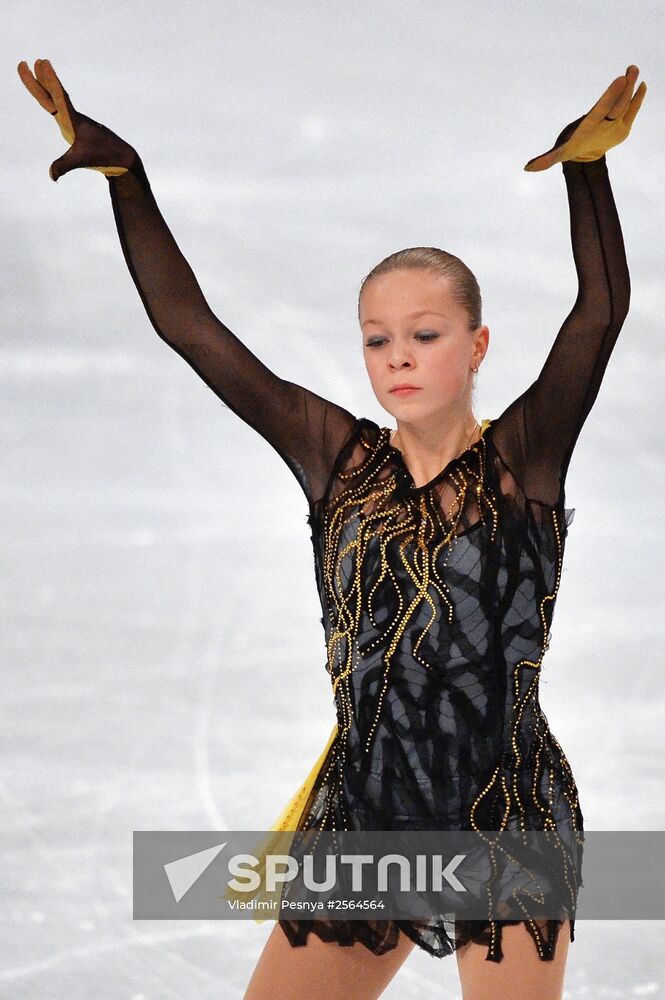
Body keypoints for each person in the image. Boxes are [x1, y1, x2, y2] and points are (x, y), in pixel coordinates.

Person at [18, 57, 646, 1000]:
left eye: (425, 335)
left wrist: (585, 171)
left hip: (504, 818)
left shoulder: (522, 467)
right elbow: (192, 329)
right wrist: (127, 177)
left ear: (476, 346)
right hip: (364, 816)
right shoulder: (339, 465)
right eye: (377, 338)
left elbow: (596, 317)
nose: (397, 358)